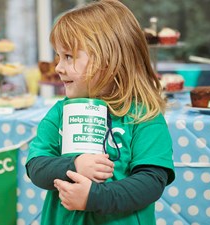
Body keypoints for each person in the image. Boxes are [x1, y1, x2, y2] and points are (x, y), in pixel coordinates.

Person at [25, 0, 175, 224]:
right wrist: (74, 165)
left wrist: (94, 197)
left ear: (108, 60)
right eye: (58, 56)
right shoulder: (59, 114)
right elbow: (36, 166)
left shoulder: (144, 116)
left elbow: (151, 182)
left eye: (68, 56)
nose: (58, 67)